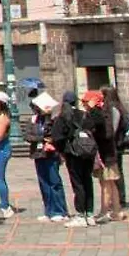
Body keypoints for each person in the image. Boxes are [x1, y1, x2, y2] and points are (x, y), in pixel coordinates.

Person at [49, 90, 96, 227]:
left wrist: (62, 151)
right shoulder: (84, 115)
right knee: (87, 181)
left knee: (78, 183)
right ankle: (90, 213)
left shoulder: (63, 117)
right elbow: (92, 128)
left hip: (73, 153)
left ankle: (80, 214)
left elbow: (57, 137)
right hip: (87, 152)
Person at [28, 92, 70, 223]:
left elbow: (55, 135)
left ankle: (60, 210)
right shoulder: (34, 120)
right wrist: (42, 139)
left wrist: (49, 139)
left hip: (51, 155)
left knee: (54, 182)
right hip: (38, 154)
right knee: (43, 182)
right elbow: (28, 135)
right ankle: (48, 210)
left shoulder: (54, 120)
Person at [86, 91, 124, 224]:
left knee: (106, 183)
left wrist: (91, 109)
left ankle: (104, 211)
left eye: (86, 102)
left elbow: (105, 133)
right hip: (107, 153)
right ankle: (117, 211)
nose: (84, 105)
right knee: (110, 183)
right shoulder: (103, 111)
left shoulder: (101, 113)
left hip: (106, 155)